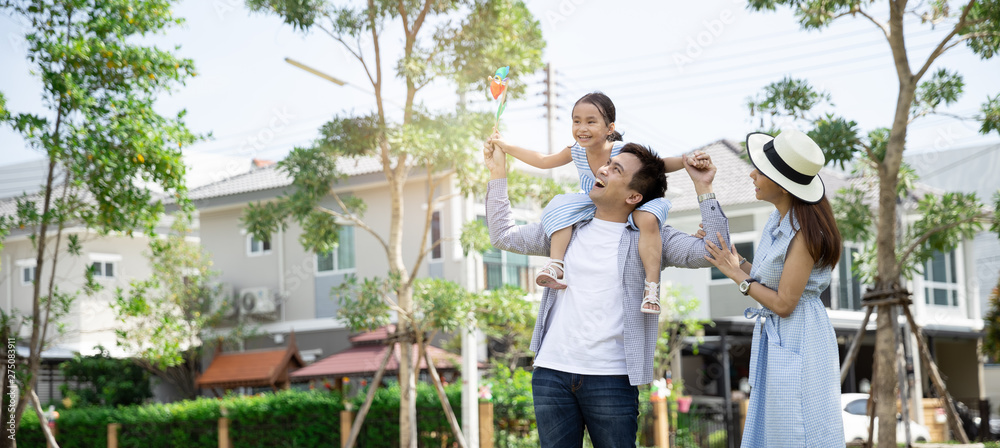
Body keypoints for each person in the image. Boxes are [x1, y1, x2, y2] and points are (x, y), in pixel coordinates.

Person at [483, 138, 730, 448]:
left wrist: (704, 188)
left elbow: (718, 251)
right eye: (607, 164)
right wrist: (497, 173)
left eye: (615, 169)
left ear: (634, 195)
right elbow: (503, 235)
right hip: (552, 372)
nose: (601, 169)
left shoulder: (652, 237)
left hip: (612, 378)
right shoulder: (567, 226)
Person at [488, 92, 709, 314]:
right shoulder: (576, 151)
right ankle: (556, 263)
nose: (582, 128)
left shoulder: (621, 152)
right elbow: (543, 161)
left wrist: (684, 160)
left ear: (609, 129)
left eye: (591, 121)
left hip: (636, 203)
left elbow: (659, 164)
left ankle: (651, 287)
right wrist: (506, 147)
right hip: (594, 202)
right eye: (576, 121)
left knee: (648, 220)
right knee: (563, 208)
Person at [703, 129, 844, 447]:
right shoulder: (776, 220)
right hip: (779, 335)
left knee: (799, 428)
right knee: (777, 429)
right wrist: (731, 258)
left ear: (782, 183)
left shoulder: (806, 233)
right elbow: (765, 280)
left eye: (760, 171)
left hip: (800, 334)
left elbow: (783, 303)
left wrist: (735, 275)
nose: (752, 174)